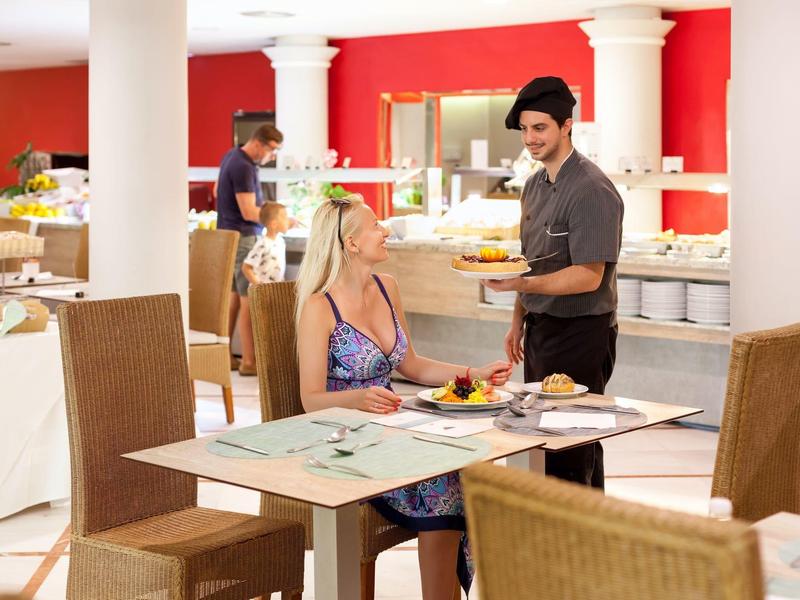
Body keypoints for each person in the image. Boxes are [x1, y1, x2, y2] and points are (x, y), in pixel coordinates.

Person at [296, 194, 512, 599]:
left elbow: (410, 365)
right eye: (376, 225)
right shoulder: (318, 307)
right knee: (446, 484)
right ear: (351, 243)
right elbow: (310, 399)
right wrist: (357, 400)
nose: (386, 231)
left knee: (463, 464)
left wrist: (473, 374)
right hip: (346, 439)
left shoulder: (387, 286)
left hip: (393, 426)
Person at [483, 76, 624, 489]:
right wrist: (517, 319)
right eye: (525, 129)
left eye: (540, 127)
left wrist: (517, 288)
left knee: (573, 441)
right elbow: (530, 265)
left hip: (582, 331)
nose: (530, 138)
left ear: (566, 126)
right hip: (542, 330)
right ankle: (561, 534)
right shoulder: (533, 185)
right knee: (543, 436)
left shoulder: (592, 189)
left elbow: (587, 276)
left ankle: (576, 540)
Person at [214, 124, 282, 376]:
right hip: (243, 237)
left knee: (232, 299)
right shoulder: (243, 166)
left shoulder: (231, 156)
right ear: (259, 144)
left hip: (229, 234)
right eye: (272, 150)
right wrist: (280, 219)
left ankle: (225, 355)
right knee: (247, 300)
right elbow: (248, 210)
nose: (272, 156)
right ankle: (249, 361)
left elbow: (216, 191)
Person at [241, 202, 289, 286]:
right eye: (285, 217)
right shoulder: (262, 244)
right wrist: (259, 285)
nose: (288, 220)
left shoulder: (281, 241)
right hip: (263, 294)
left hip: (275, 290)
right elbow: (246, 267)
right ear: (273, 224)